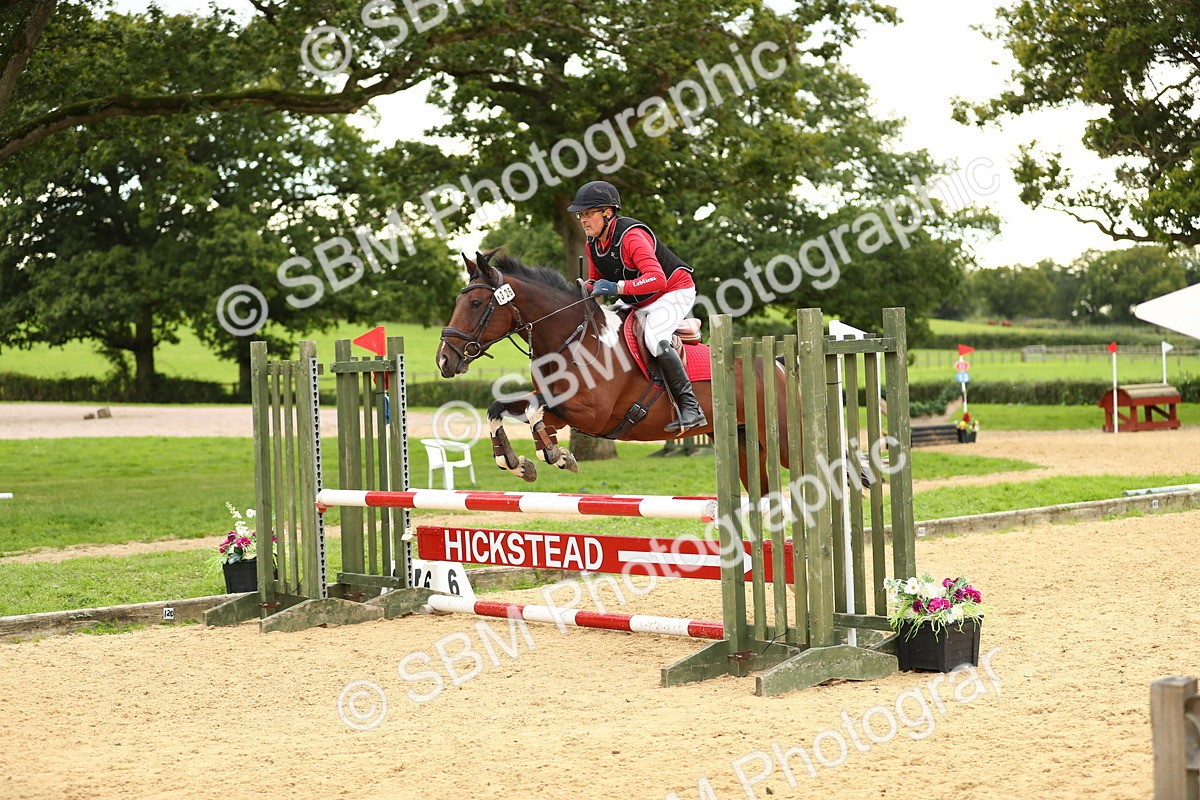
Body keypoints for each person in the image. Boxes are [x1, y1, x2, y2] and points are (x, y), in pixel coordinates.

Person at [567, 180, 706, 432]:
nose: (583, 220)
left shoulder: (632, 237)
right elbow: (597, 280)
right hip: (637, 298)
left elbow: (657, 278)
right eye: (581, 215)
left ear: (607, 213)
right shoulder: (593, 244)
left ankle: (691, 406)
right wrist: (585, 289)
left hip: (672, 291)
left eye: (588, 213)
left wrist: (615, 288)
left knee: (654, 337)